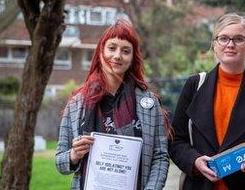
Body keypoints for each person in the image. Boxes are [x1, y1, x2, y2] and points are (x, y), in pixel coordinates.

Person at [168, 13, 245, 190]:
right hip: (202, 185)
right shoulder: (194, 85)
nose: (230, 44)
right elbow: (176, 140)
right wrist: (194, 161)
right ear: (215, 44)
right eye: (224, 38)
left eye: (239, 39)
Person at [55, 20, 170, 190]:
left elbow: (160, 157)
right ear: (101, 51)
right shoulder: (77, 103)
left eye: (125, 51)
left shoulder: (149, 103)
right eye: (112, 48)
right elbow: (60, 162)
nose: (117, 56)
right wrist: (74, 155)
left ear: (132, 59)